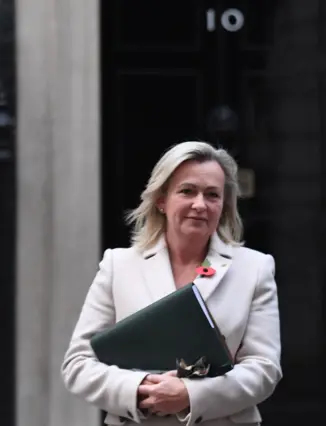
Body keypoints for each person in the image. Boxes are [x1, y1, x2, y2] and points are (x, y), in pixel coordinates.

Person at [61, 141, 282, 426]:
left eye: (212, 194)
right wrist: (141, 388)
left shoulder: (254, 268)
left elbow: (264, 370)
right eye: (187, 191)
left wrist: (190, 394)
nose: (200, 204)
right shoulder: (119, 265)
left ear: (223, 204)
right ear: (162, 200)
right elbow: (78, 365)